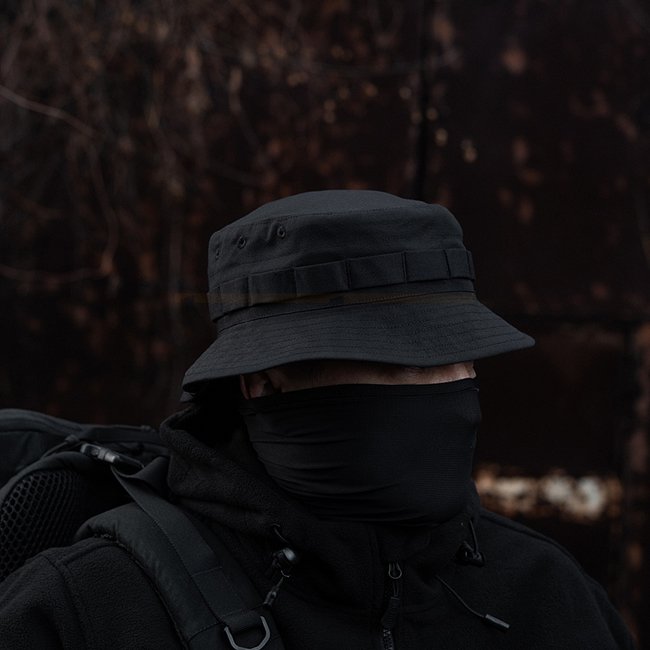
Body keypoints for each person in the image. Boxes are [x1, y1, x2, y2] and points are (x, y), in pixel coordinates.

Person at [0, 190, 636, 648]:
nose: (445, 392)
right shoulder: (90, 608)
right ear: (263, 381)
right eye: (400, 362)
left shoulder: (544, 594)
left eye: (459, 359)